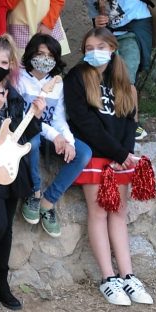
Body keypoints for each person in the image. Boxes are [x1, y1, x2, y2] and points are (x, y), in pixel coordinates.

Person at [65, 28, 153, 307]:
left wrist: (125, 153)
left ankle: (128, 275)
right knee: (99, 212)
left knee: (119, 212)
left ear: (113, 48)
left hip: (120, 157)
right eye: (89, 48)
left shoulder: (122, 79)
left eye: (100, 47)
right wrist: (117, 153)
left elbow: (129, 119)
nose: (94, 52)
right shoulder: (77, 77)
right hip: (96, 155)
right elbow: (83, 122)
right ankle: (108, 278)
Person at [0, 35, 44, 312]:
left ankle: (1, 283)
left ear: (11, 64)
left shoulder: (14, 95)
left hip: (12, 168)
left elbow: (23, 136)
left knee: (8, 229)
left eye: (4, 63)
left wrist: (36, 116)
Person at [74, 0, 153, 140]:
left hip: (132, 31)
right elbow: (95, 19)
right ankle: (104, 119)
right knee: (94, 73)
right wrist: (97, 21)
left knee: (126, 76)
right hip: (110, 35)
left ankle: (133, 124)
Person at [17, 35, 93, 237]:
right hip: (28, 131)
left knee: (83, 153)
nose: (45, 59)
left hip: (51, 135)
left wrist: (68, 141)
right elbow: (24, 118)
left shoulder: (57, 83)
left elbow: (58, 119)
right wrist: (54, 136)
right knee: (33, 142)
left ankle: (48, 201)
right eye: (40, 54)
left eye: (50, 56)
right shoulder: (19, 79)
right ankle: (34, 192)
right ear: (31, 54)